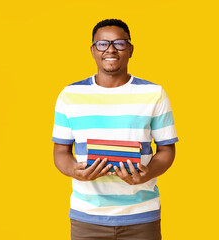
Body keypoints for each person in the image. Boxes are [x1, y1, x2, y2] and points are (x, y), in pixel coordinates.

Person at [52, 19, 178, 240]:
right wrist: (75, 171)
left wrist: (148, 173)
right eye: (102, 44)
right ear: (93, 50)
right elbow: (60, 151)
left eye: (119, 43)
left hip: (142, 215)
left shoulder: (154, 93)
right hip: (87, 217)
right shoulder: (69, 95)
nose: (110, 49)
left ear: (130, 49)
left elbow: (167, 149)